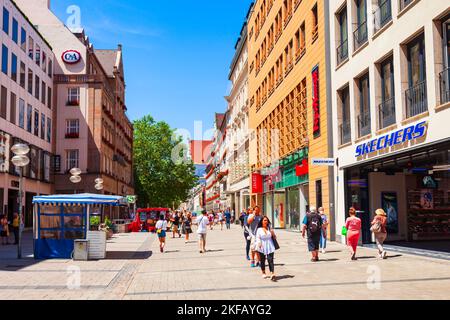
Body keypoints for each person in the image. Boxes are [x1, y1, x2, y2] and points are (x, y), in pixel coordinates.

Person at [256, 216, 277, 281]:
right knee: (262, 260)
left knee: (270, 259)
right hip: (262, 245)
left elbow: (274, 237)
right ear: (262, 221)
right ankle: (263, 272)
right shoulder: (259, 229)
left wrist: (272, 233)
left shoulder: (269, 228)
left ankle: (272, 273)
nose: (266, 221)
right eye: (264, 220)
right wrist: (259, 243)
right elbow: (257, 237)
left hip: (270, 245)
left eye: (267, 220)